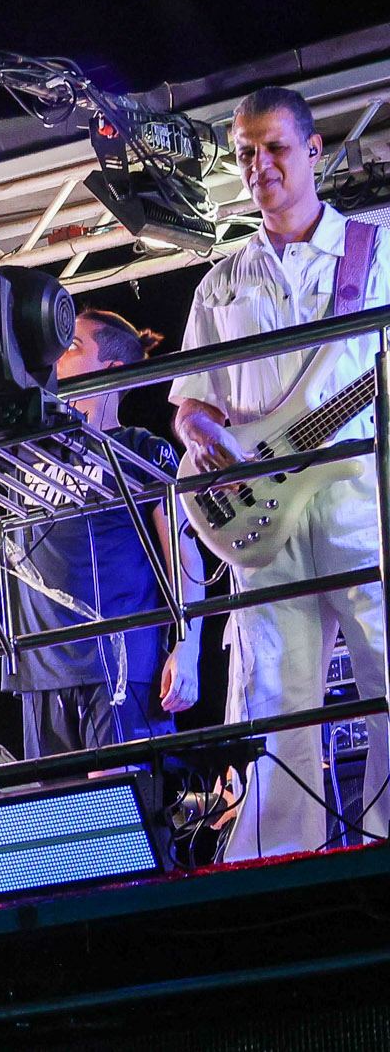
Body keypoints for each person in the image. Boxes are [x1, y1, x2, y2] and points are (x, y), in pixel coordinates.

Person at [0, 225, 204, 757]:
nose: (55, 356)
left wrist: (188, 648)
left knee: (115, 799)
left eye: (71, 345)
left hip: (121, 660)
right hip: (40, 667)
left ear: (111, 368)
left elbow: (183, 555)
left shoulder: (139, 447)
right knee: (55, 803)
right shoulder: (28, 442)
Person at [170, 85, 390, 860]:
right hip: (259, 511)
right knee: (275, 701)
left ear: (315, 151)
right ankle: (280, 864)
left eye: (274, 148)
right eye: (245, 153)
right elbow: (190, 404)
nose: (258, 164)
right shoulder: (220, 281)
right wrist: (202, 434)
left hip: (362, 500)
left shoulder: (376, 251)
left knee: (388, 675)